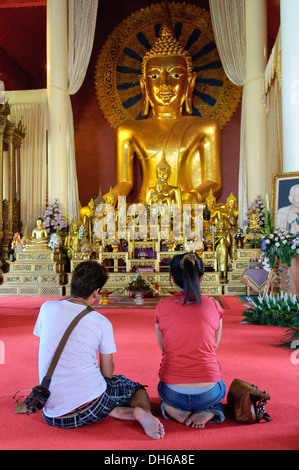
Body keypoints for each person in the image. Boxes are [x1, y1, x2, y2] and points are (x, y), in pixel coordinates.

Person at [33, 260, 164, 439]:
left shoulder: (47, 307)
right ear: (96, 291)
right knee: (134, 388)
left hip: (51, 413)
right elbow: (107, 373)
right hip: (91, 407)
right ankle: (141, 414)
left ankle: (115, 410)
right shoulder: (101, 322)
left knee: (97, 389)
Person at [109, 16, 221, 204]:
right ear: (144, 85)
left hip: (186, 209)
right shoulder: (127, 130)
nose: (165, 85)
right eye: (154, 76)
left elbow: (213, 183)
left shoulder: (206, 127)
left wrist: (187, 197)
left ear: (190, 83)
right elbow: (124, 182)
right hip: (144, 211)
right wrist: (106, 201)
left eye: (175, 74)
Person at [154, 252, 225, 428]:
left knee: (163, 389)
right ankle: (210, 409)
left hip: (172, 392)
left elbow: (164, 347)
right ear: (201, 278)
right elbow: (213, 346)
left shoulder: (162, 306)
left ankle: (170, 408)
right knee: (220, 385)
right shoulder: (214, 305)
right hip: (208, 392)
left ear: (172, 279)